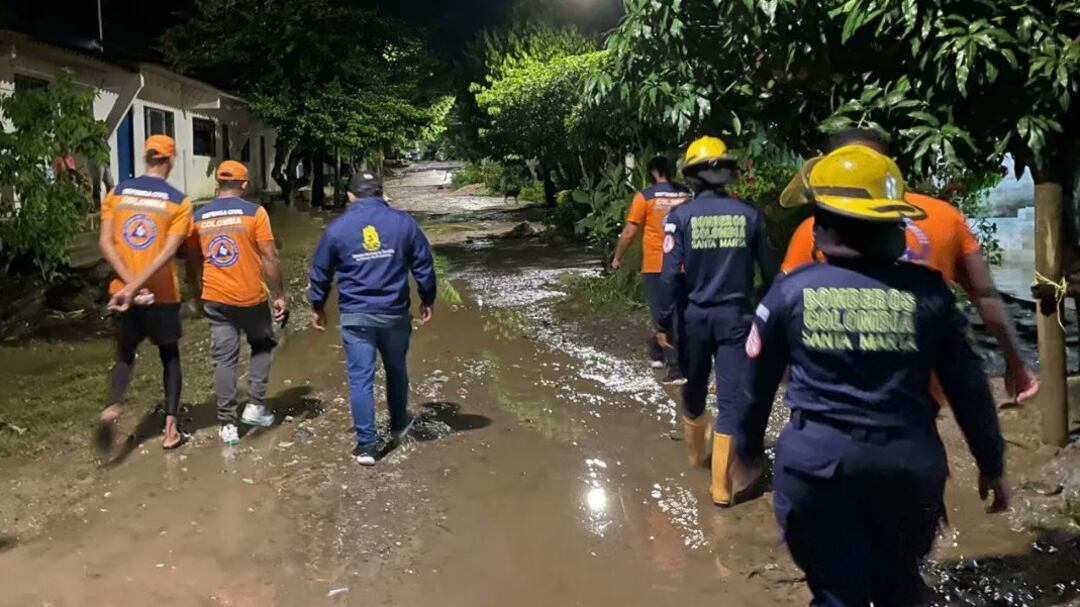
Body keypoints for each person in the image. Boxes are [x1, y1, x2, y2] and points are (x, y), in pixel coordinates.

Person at [735, 145, 1009, 606]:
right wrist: (992, 462)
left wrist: (746, 451)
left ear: (821, 225)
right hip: (908, 468)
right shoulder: (930, 294)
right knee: (900, 585)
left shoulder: (787, 293)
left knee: (837, 593)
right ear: (894, 226)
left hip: (818, 469)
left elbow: (754, 386)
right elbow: (969, 387)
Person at [779, 129, 1038, 403]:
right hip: (919, 389)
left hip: (836, 389)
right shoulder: (945, 216)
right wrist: (1016, 362)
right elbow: (984, 294)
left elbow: (784, 309)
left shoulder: (816, 230)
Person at [658, 136, 778, 505]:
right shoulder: (751, 216)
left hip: (694, 319)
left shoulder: (678, 218)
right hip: (736, 319)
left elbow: (668, 278)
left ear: (691, 176)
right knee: (730, 401)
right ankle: (721, 487)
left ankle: (696, 456)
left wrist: (664, 322)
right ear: (726, 173)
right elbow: (772, 276)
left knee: (694, 387)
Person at [308, 171, 436, 466]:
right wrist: (427, 298)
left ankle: (367, 446)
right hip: (394, 312)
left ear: (350, 196)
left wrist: (318, 305)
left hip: (356, 316)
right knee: (396, 368)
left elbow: (320, 273)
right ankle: (399, 422)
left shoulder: (337, 229)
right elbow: (423, 265)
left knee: (361, 378)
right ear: (380, 193)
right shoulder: (404, 223)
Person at [97, 135, 192, 451]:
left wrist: (128, 287)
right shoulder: (179, 201)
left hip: (121, 293)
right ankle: (169, 431)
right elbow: (166, 253)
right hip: (161, 295)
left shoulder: (117, 193)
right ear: (170, 160)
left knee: (125, 354)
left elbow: (106, 244)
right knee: (170, 357)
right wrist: (140, 288)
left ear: (146, 157)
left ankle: (112, 406)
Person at [185, 161, 287, 446]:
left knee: (224, 360)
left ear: (217, 184)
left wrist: (195, 292)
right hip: (251, 297)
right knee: (262, 345)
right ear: (244, 185)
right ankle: (255, 405)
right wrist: (280, 295)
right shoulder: (256, 213)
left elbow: (193, 261)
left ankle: (227, 423)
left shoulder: (199, 216)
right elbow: (270, 256)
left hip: (216, 300)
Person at [611, 155, 691, 384]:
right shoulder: (686, 195)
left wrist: (617, 257)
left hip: (657, 265)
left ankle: (676, 368)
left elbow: (629, 232)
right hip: (684, 264)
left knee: (662, 315)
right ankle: (657, 352)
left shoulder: (644, 197)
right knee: (679, 312)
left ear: (653, 172)